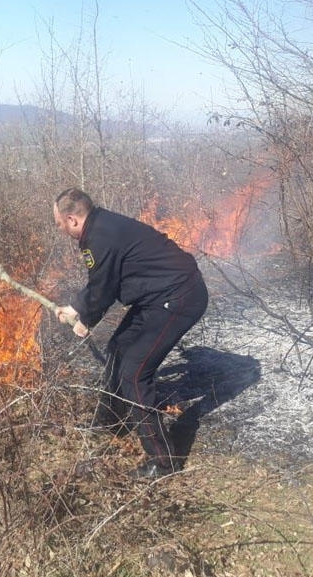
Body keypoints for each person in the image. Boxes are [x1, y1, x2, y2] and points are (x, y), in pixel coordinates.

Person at [53, 187, 208, 479]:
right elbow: (103, 283)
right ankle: (112, 421)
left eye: (60, 224)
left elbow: (101, 287)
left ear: (72, 219)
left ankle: (164, 462)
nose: (61, 230)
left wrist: (81, 314)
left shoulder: (99, 235)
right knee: (119, 348)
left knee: (135, 374)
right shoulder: (102, 226)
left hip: (179, 297)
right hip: (160, 295)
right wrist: (80, 312)